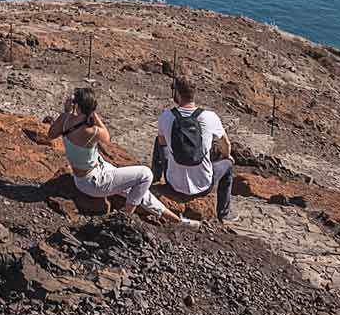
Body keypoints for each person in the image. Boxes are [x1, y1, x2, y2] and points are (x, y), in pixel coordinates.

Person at [43, 87, 192, 226]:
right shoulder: (92, 131)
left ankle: (177, 220)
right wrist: (93, 114)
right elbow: (106, 137)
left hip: (82, 178)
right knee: (146, 174)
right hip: (95, 182)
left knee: (138, 191)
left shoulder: (65, 119)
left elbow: (50, 135)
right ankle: (126, 216)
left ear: (77, 104)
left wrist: (67, 110)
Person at [155, 72, 235, 221]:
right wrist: (226, 156)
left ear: (177, 93)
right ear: (194, 93)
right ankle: (224, 214)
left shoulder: (165, 116)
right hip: (203, 185)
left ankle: (156, 175)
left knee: (160, 139)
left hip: (173, 183)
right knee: (229, 165)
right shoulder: (210, 117)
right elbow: (226, 145)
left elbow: (162, 145)